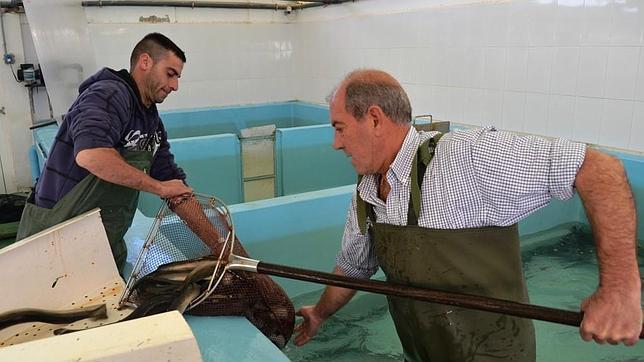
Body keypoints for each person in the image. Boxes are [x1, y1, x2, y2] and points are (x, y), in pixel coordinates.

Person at [294, 69, 642, 361]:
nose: (336, 144)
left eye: (339, 128)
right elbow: (354, 267)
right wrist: (320, 313)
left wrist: (618, 291)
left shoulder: (464, 157)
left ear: (373, 119)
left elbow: (597, 169)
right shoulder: (366, 194)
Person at [17, 33, 222, 273]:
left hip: (102, 239)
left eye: (178, 77)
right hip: (57, 237)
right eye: (170, 73)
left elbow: (172, 182)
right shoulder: (108, 95)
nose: (175, 85)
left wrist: (219, 244)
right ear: (145, 62)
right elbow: (91, 155)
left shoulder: (150, 121)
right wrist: (159, 188)